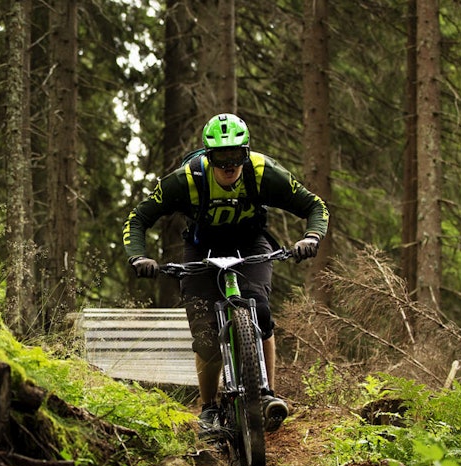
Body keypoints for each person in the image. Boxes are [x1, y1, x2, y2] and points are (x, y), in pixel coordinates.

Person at [122, 112, 329, 436]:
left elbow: (314, 205)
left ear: (246, 153)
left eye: (236, 154)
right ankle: (208, 409)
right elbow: (139, 217)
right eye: (221, 156)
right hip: (201, 249)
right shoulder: (187, 179)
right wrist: (138, 256)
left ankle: (267, 396)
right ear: (208, 156)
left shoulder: (262, 172)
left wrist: (310, 237)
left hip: (250, 245)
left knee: (259, 311)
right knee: (205, 336)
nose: (229, 164)